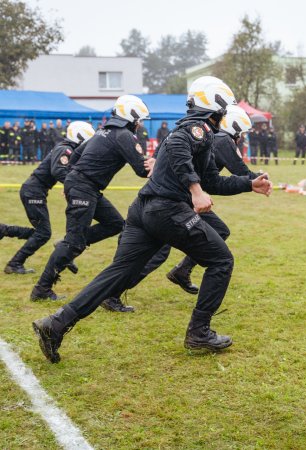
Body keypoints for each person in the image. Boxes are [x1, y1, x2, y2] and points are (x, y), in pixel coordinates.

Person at [32, 76, 272, 363]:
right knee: (221, 261)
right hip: (167, 210)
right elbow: (179, 149)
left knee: (118, 273)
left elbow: (212, 180)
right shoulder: (196, 129)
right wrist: (194, 190)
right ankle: (199, 333)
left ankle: (55, 324)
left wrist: (248, 184)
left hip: (144, 210)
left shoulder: (199, 132)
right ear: (217, 105)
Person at [101, 104, 261, 312]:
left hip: (179, 198)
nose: (241, 137)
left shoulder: (207, 134)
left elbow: (208, 176)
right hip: (175, 200)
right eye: (241, 133)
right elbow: (239, 170)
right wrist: (258, 180)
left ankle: (182, 271)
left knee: (218, 231)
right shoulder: (220, 139)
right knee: (158, 252)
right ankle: (113, 293)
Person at [30, 95, 151, 301]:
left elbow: (76, 156)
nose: (140, 124)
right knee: (74, 243)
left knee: (115, 224)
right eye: (139, 120)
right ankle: (42, 289)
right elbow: (141, 169)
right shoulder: (123, 135)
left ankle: (67, 245)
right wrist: (157, 164)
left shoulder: (102, 131)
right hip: (85, 188)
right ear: (130, 117)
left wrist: (71, 183)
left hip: (85, 187)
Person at [0, 122, 95, 274]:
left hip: (35, 191)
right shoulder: (65, 149)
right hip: (33, 192)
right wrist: (74, 186)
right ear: (80, 137)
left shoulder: (67, 149)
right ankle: (14, 263)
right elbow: (58, 171)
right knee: (43, 233)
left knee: (40, 233)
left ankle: (4, 230)